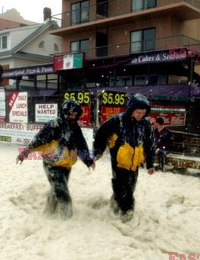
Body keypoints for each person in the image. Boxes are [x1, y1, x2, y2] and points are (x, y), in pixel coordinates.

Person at [16, 99, 95, 220]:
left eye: (75, 114)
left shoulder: (75, 127)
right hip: (52, 164)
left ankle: (48, 213)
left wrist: (88, 161)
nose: (73, 116)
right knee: (63, 194)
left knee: (56, 190)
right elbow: (38, 140)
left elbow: (81, 144)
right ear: (65, 112)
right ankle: (67, 220)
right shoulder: (54, 125)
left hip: (66, 166)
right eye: (71, 114)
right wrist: (25, 153)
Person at [93, 94, 155, 223]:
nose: (140, 115)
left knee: (130, 188)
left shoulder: (145, 125)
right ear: (131, 109)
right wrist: (97, 152)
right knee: (123, 188)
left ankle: (115, 201)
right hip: (119, 162)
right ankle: (127, 214)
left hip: (134, 164)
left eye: (143, 113)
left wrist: (150, 163)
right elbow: (101, 135)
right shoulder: (118, 120)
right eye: (138, 112)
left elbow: (149, 144)